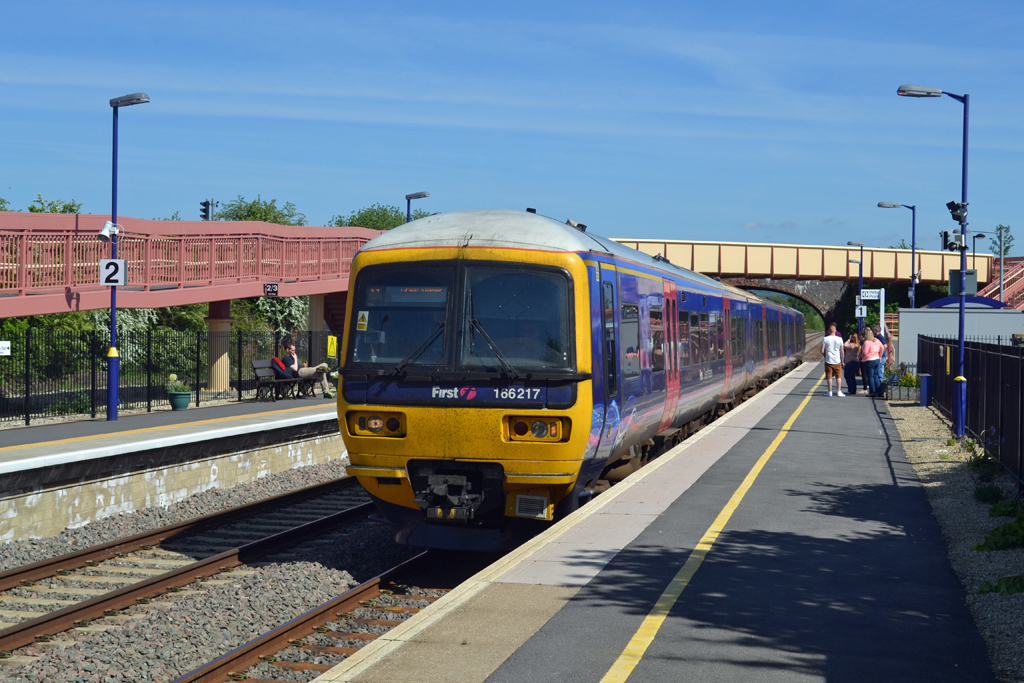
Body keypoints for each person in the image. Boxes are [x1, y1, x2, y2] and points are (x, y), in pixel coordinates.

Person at [820, 322, 845, 397]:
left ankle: (830, 392)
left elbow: (822, 351)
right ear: (835, 330)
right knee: (839, 376)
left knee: (829, 376)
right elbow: (842, 351)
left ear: (829, 331)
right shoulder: (840, 339)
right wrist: (843, 361)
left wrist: (825, 353)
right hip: (837, 360)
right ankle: (839, 391)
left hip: (828, 360)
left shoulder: (825, 339)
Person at [859, 329, 884, 398]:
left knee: (870, 376)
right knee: (876, 376)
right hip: (876, 358)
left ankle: (873, 392)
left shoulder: (866, 342)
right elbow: (882, 348)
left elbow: (865, 352)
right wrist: (880, 356)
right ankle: (879, 391)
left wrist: (860, 356)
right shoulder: (876, 340)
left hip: (868, 360)